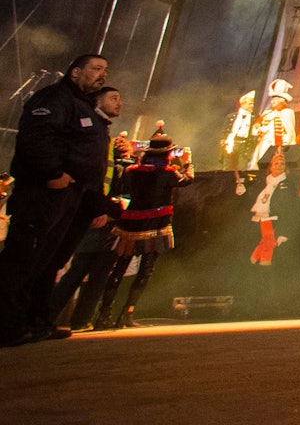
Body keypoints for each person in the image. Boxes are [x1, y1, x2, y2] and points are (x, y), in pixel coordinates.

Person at [0, 53, 111, 348]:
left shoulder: (84, 105)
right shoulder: (54, 98)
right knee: (23, 258)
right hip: (43, 191)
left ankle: (35, 320)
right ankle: (6, 325)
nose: (102, 74)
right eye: (96, 69)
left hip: (70, 195)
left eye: (105, 70)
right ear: (75, 72)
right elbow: (36, 137)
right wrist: (52, 173)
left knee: (48, 261)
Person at [93, 126, 195, 329]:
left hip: (130, 223)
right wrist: (187, 162)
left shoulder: (133, 171)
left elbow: (124, 189)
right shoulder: (167, 173)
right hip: (155, 225)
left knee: (118, 269)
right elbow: (188, 179)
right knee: (145, 270)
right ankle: (125, 314)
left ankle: (104, 315)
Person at [51, 130, 134, 332]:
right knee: (89, 272)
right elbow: (102, 190)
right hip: (101, 220)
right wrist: (106, 210)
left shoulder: (108, 164)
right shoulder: (106, 166)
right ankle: (62, 318)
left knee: (86, 272)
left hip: (100, 219)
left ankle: (58, 317)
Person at [251, 79, 296, 168]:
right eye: (272, 99)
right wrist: (258, 129)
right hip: (264, 142)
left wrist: (286, 144)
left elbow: (289, 130)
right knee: (260, 163)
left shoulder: (287, 112)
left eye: (275, 99)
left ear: (282, 100)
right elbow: (256, 127)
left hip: (276, 144)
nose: (272, 102)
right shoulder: (266, 113)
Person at [222, 90, 256, 170]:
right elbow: (225, 131)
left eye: (253, 104)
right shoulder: (231, 117)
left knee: (242, 169)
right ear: (243, 104)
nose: (252, 105)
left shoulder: (253, 118)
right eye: (249, 103)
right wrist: (224, 141)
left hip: (244, 146)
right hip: (232, 144)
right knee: (228, 169)